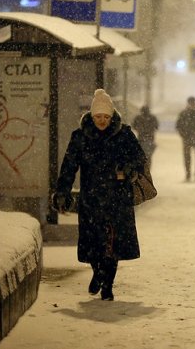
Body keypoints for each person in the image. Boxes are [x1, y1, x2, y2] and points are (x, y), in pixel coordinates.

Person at [52, 88, 147, 301]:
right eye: (97, 117)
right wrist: (62, 191)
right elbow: (69, 166)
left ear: (112, 116)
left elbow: (139, 158)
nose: (102, 121)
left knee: (112, 243)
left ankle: (108, 285)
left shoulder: (124, 135)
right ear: (91, 116)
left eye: (105, 117)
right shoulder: (80, 137)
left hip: (117, 199)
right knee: (94, 242)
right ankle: (97, 272)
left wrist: (128, 167)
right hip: (91, 199)